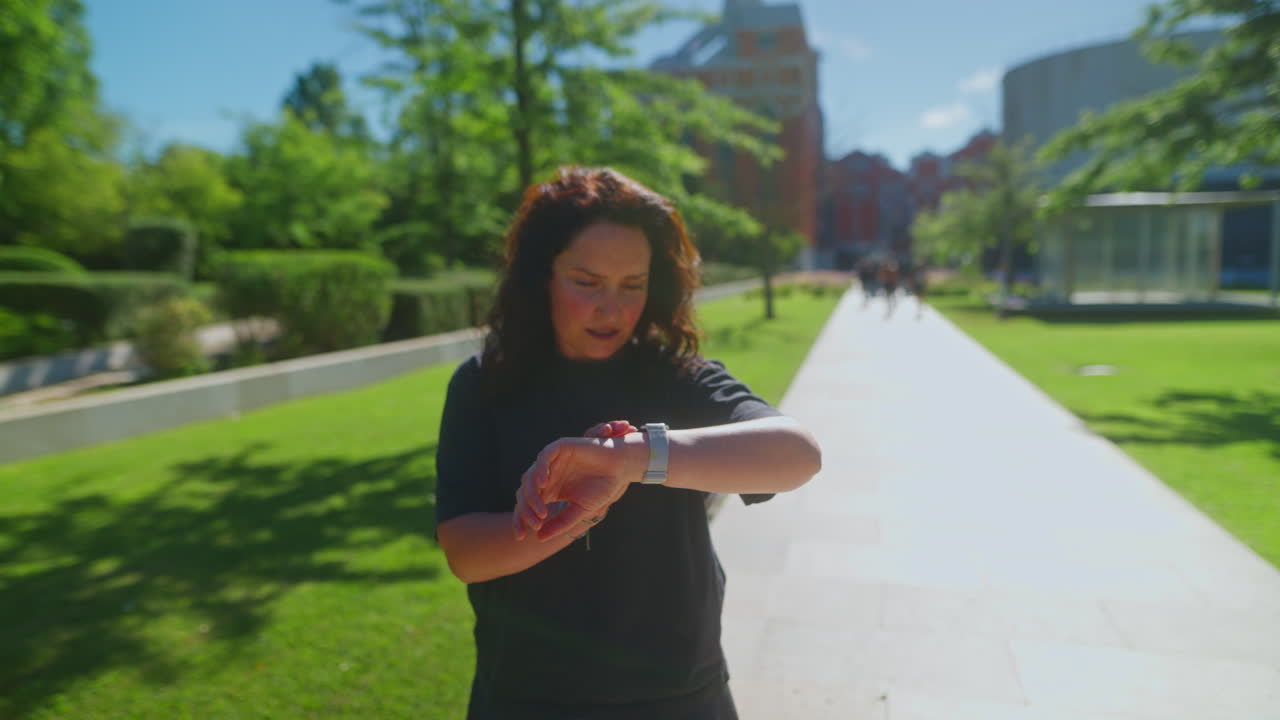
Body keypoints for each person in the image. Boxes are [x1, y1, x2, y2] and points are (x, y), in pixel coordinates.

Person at [434, 166, 822, 719]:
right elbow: (466, 553)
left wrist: (632, 460)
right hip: (529, 695)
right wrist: (573, 515)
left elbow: (797, 454)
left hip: (681, 696)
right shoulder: (484, 383)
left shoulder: (677, 376)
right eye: (586, 282)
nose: (611, 308)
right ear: (542, 276)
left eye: (632, 285)